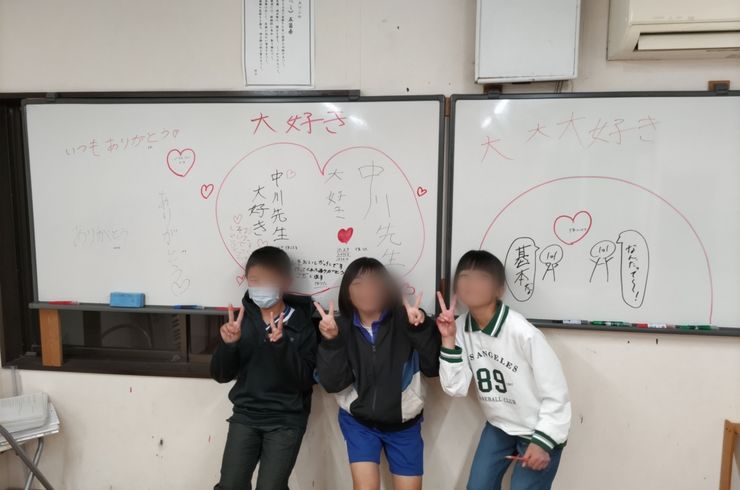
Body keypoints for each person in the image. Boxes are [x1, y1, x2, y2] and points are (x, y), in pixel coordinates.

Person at [437, 250, 571, 490]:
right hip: (500, 425)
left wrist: (543, 442)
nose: (471, 284)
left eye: (481, 278)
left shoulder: (523, 332)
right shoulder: (457, 327)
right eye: (465, 277)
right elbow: (455, 388)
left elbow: (556, 393)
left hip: (537, 427)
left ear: (499, 290)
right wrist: (448, 340)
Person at [315, 257, 441, 490]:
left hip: (404, 425)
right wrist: (331, 341)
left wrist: (421, 329)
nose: (367, 290)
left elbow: (433, 368)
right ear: (347, 292)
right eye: (358, 284)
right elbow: (333, 384)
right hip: (359, 422)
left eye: (374, 283)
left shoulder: (407, 319)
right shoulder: (339, 327)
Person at [211, 246, 317, 490]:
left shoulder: (301, 324)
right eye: (254, 280)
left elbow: (305, 379)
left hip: (286, 420)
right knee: (230, 485)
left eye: (269, 280)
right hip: (245, 415)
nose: (260, 287)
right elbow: (220, 375)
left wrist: (281, 346)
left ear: (286, 282)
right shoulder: (241, 322)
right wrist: (229, 345)